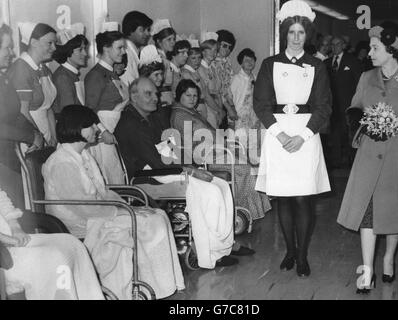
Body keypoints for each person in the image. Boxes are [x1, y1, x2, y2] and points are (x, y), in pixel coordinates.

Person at [42, 105, 185, 299]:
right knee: (148, 221)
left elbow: (103, 191)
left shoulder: (83, 155)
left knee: (157, 215)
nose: (96, 129)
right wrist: (124, 212)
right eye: (91, 126)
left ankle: (158, 284)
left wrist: (129, 208)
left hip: (96, 213)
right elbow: (81, 206)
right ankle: (138, 288)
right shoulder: (62, 162)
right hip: (78, 222)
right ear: (77, 128)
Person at [337, 25, 398, 294]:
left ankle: (388, 257)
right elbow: (353, 108)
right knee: (368, 215)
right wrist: (362, 121)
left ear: (393, 51)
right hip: (368, 155)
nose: (371, 52)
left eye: (376, 48)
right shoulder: (366, 77)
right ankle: (367, 270)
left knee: (394, 214)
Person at [114, 77, 239, 268]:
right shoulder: (131, 123)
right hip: (149, 177)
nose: (154, 98)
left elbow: (168, 148)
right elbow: (155, 161)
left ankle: (224, 246)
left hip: (165, 169)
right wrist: (190, 171)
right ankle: (209, 253)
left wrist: (190, 166)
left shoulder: (149, 118)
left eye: (155, 93)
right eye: (148, 93)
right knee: (211, 191)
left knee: (220, 185)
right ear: (133, 96)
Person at [253, 0, 331, 277]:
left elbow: (324, 106)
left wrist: (304, 136)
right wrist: (281, 134)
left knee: (303, 198)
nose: (296, 38)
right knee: (284, 199)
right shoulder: (269, 64)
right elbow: (260, 103)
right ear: (284, 34)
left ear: (306, 35)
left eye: (301, 33)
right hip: (278, 134)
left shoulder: (317, 66)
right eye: (291, 32)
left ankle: (303, 254)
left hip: (306, 136)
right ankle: (289, 250)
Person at [171, 79, 271, 222]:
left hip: (215, 151)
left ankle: (247, 211)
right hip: (204, 159)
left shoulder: (190, 112)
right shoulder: (180, 115)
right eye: (188, 95)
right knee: (245, 169)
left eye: (194, 96)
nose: (192, 99)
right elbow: (191, 144)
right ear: (179, 95)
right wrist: (220, 146)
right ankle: (239, 212)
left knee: (250, 161)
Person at [0, 186, 105, 300]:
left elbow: (1, 199)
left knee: (70, 243)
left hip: (8, 235)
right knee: (54, 258)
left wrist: (15, 228)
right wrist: (5, 239)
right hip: (2, 253)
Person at [0, 23, 43, 209]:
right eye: (7, 47)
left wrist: (35, 133)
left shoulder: (3, 79)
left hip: (9, 157)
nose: (11, 53)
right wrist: (30, 136)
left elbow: (15, 113)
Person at [84, 30, 129, 184]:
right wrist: (103, 132)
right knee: (108, 177)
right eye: (119, 48)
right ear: (106, 48)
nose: (123, 52)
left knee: (117, 174)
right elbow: (89, 110)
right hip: (103, 136)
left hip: (114, 132)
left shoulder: (112, 73)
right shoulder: (95, 75)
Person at [8, 22, 57, 147]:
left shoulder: (44, 69)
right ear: (34, 42)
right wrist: (39, 138)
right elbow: (23, 111)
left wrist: (53, 137)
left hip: (47, 133)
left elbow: (48, 107)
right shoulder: (21, 69)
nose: (54, 48)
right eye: (49, 43)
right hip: (29, 135)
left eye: (55, 43)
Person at [325, 36, 362, 168]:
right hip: (332, 105)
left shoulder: (353, 61)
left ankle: (351, 161)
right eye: (332, 44)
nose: (335, 47)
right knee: (334, 134)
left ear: (343, 45)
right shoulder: (326, 63)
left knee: (349, 133)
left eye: (338, 44)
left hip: (348, 105)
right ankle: (336, 160)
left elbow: (359, 83)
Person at [213, 29, 238, 128]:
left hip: (228, 103)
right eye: (224, 45)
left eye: (229, 47)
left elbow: (229, 86)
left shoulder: (227, 61)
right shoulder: (212, 62)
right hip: (217, 103)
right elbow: (219, 90)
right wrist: (229, 108)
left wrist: (232, 105)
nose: (227, 49)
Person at [120, 11, 153, 85]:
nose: (147, 34)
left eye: (148, 30)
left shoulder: (134, 51)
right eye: (142, 30)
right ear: (130, 30)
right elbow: (130, 86)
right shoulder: (126, 54)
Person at [199, 34, 224, 128]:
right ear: (203, 51)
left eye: (215, 50)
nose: (213, 53)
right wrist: (218, 110)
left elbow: (218, 92)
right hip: (207, 108)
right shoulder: (200, 69)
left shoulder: (213, 68)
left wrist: (220, 110)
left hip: (216, 108)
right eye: (209, 49)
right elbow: (206, 95)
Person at [151, 19, 176, 108]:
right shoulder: (157, 57)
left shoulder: (166, 58)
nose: (173, 42)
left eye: (174, 39)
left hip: (168, 98)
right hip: (161, 99)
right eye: (169, 39)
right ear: (158, 41)